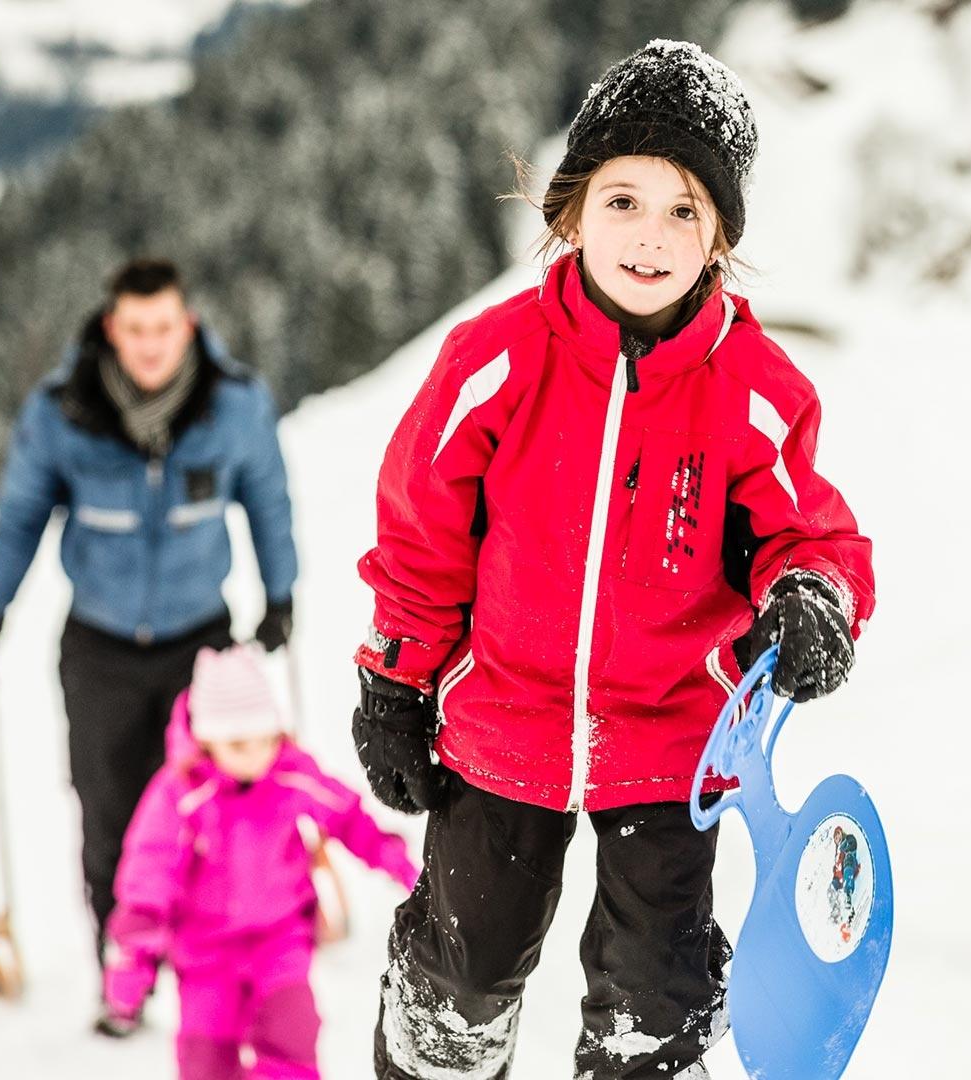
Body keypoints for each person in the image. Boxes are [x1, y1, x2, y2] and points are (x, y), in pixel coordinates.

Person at [348, 41, 876, 1080]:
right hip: (501, 725)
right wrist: (395, 682)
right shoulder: (495, 360)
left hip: (675, 747)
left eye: (686, 210)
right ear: (572, 209)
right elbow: (421, 536)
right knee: (464, 968)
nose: (650, 234)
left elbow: (812, 535)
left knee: (655, 995)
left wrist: (815, 596)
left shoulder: (751, 389)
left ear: (721, 236)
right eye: (624, 199)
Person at [0, 258, 299, 970]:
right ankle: (124, 962)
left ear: (188, 326)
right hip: (99, 647)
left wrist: (280, 596)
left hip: (199, 645)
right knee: (108, 816)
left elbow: (268, 501)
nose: (150, 345)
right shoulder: (63, 411)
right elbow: (19, 520)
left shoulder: (234, 406)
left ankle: (200, 951)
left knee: (202, 807)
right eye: (136, 329)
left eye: (164, 327)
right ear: (112, 329)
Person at [100, 645, 420, 1078]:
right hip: (205, 953)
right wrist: (133, 963)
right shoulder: (181, 795)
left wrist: (397, 860)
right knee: (205, 1061)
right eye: (238, 744)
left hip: (280, 938)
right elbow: (148, 879)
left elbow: (346, 817)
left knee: (292, 1039)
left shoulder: (291, 773)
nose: (257, 754)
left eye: (266, 739)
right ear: (206, 739)